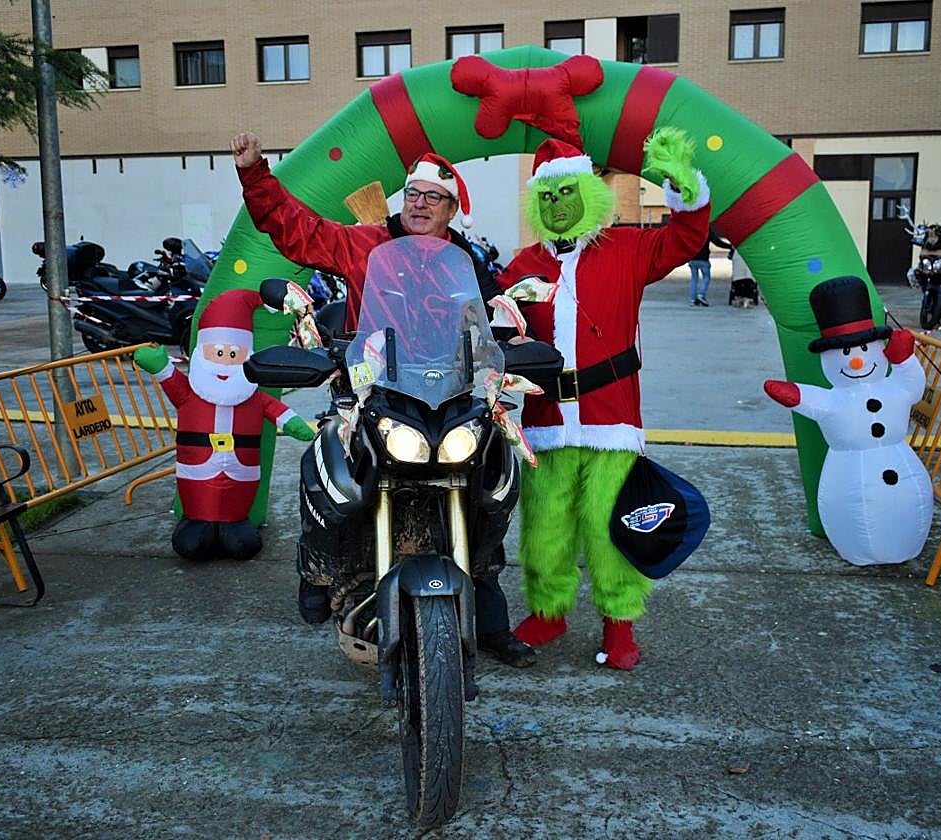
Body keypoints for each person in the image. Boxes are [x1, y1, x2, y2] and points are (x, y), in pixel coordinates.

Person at [230, 130, 535, 668]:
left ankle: (490, 622)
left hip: (448, 395)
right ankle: (319, 570)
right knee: (325, 467)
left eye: (432, 197)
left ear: (452, 208)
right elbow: (295, 231)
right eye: (412, 194)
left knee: (493, 481)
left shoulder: (465, 260)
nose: (419, 204)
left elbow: (491, 321)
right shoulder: (364, 243)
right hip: (371, 392)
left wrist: (515, 343)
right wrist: (256, 174)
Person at [497, 129, 711, 670]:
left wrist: (684, 188)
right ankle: (548, 613)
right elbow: (494, 331)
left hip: (612, 419)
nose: (557, 205)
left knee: (610, 525)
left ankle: (619, 624)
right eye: (546, 197)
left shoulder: (629, 249)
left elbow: (685, 240)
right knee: (544, 528)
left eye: (566, 192)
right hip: (544, 422)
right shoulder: (522, 265)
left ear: (589, 193)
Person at [133, 289, 316, 560]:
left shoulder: (252, 396)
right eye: (217, 352)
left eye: (234, 354)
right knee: (192, 543)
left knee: (242, 542)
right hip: (197, 474)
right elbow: (170, 378)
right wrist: (159, 366)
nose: (225, 361)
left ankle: (235, 524)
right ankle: (198, 521)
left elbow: (276, 410)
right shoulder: (190, 392)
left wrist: (294, 424)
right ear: (201, 353)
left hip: (241, 475)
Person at [686, 227, 731, 307]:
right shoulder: (706, 229)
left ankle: (692, 299)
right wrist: (730, 246)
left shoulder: (691, 229)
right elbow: (717, 242)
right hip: (703, 259)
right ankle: (701, 295)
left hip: (692, 258)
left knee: (694, 279)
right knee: (706, 277)